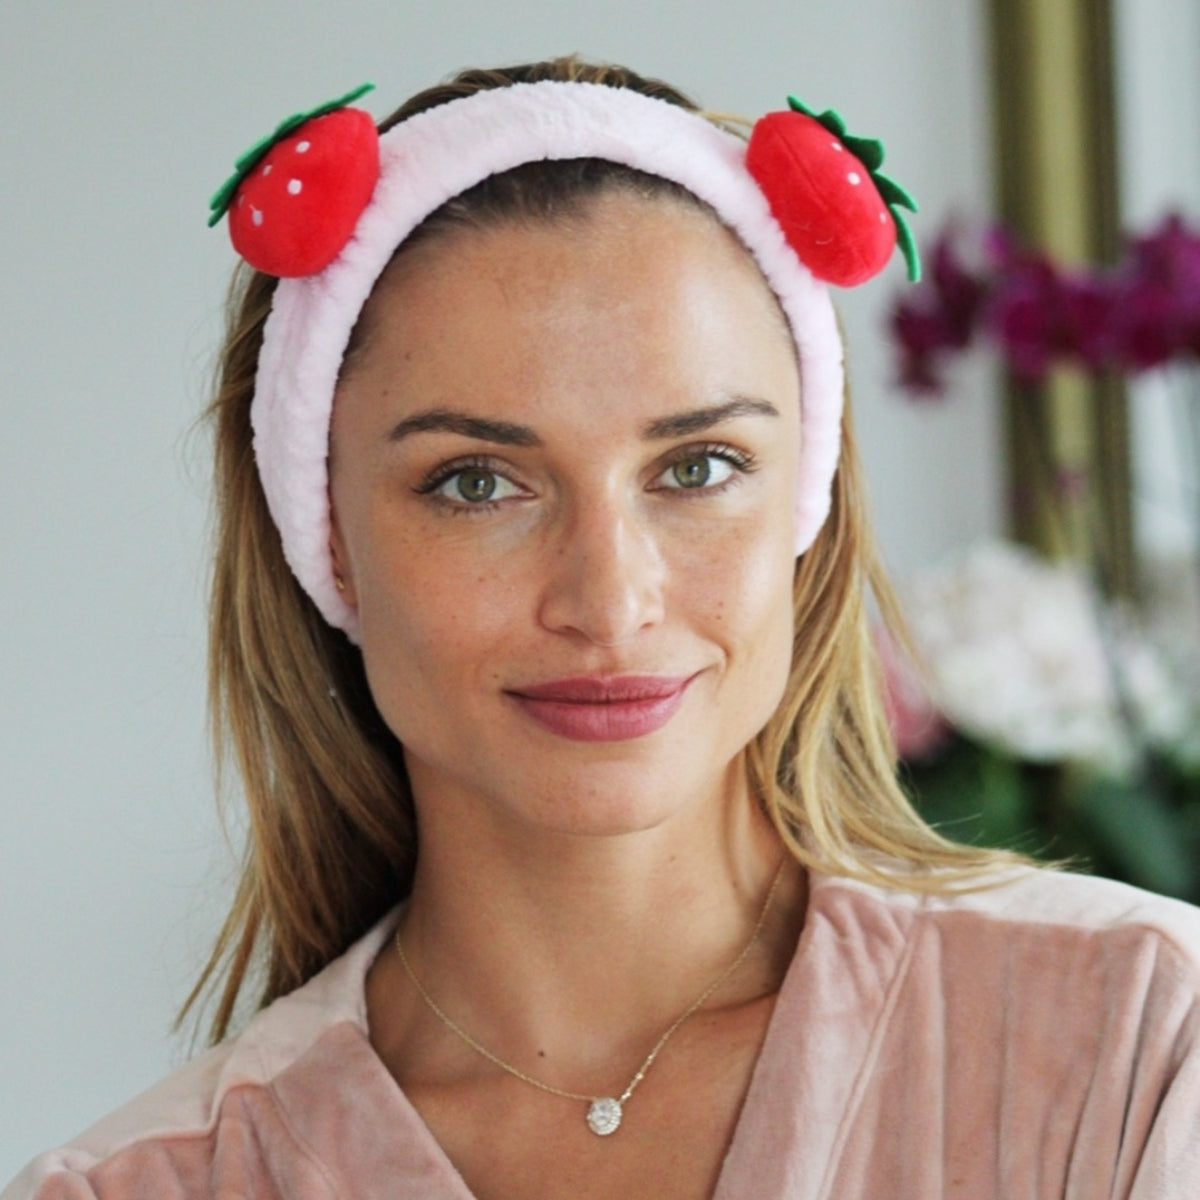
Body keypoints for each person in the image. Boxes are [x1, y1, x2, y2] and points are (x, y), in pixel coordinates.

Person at [6, 55, 1200, 1200]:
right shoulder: (139, 1187)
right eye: (475, 482)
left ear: (806, 505)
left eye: (700, 466)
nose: (609, 599)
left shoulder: (1144, 1044)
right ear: (324, 542)